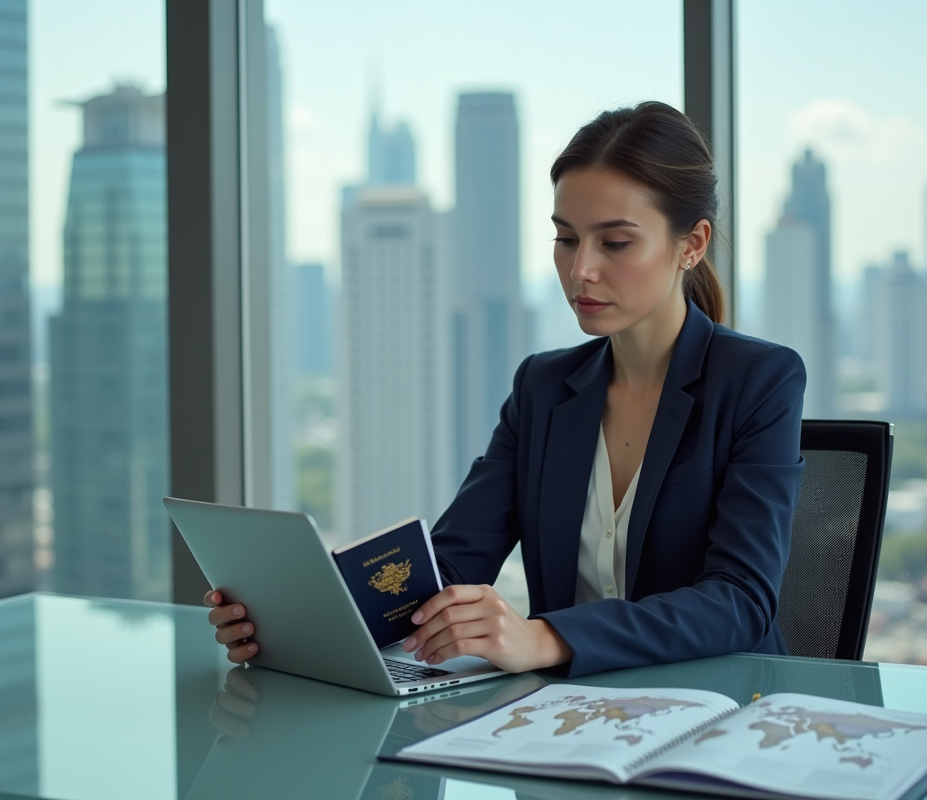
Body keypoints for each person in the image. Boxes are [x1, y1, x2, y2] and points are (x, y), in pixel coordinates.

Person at [207, 101, 806, 678]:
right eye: (566, 238)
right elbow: (449, 564)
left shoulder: (759, 380)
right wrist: (302, 618)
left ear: (691, 244)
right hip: (566, 723)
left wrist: (545, 636)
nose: (581, 270)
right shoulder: (544, 389)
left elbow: (740, 601)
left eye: (615, 243)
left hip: (721, 713)